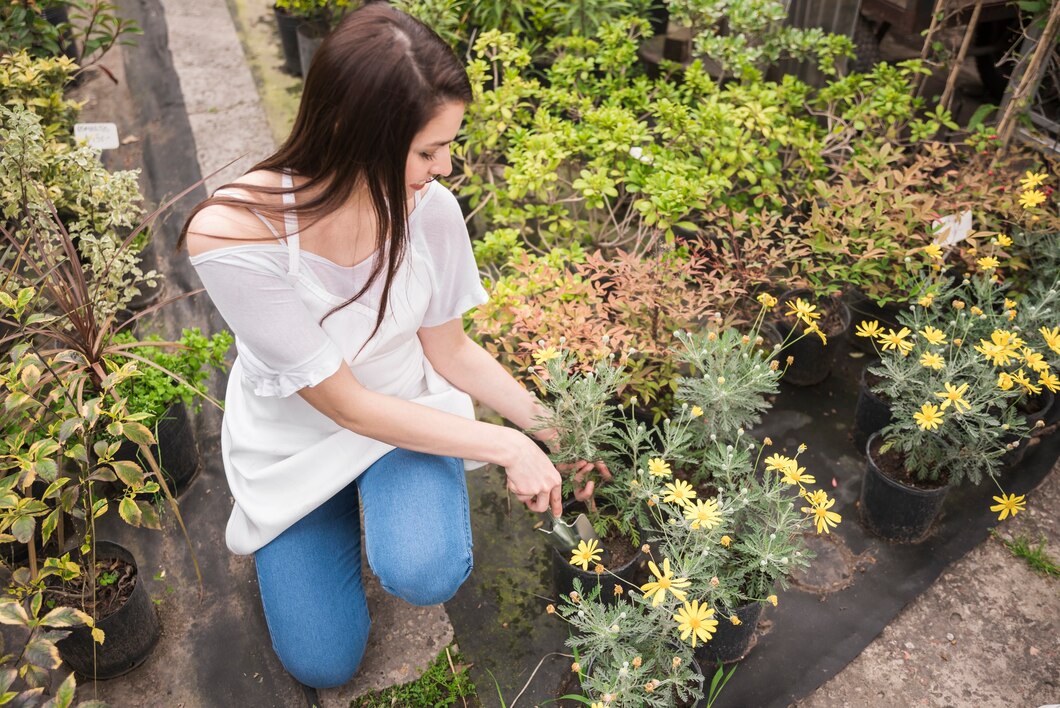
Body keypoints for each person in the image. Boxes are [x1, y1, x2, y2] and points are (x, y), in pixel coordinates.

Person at [181, 2, 605, 690]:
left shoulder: (429, 209)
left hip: (406, 415)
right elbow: (344, 405)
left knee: (426, 570)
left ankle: (386, 501)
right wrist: (506, 446)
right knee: (324, 663)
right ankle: (326, 514)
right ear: (352, 129)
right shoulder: (236, 233)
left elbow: (452, 352)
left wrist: (555, 429)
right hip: (300, 438)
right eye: (427, 150)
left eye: (448, 145)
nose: (445, 167)